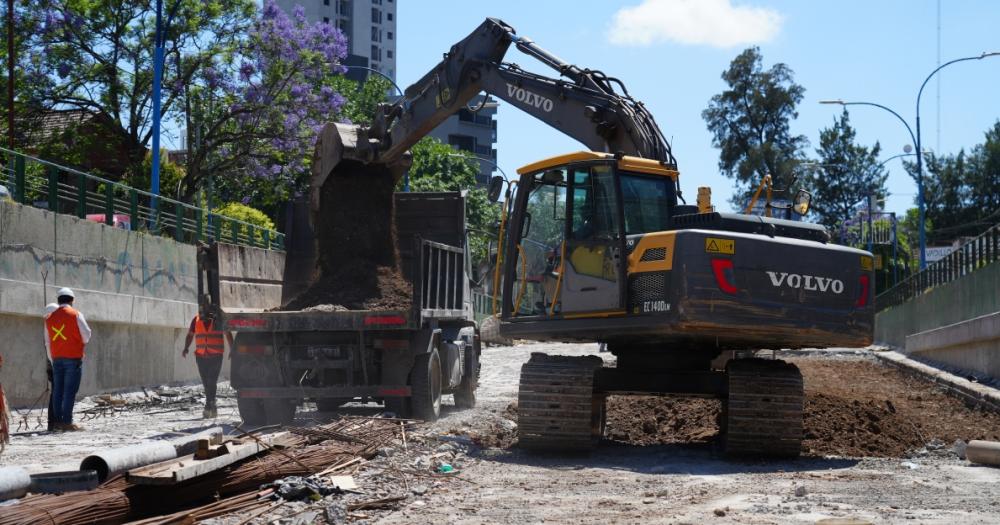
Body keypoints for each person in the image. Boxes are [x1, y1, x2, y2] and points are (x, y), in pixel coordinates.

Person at [44, 288, 92, 431]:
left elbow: (48, 341)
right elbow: (87, 335)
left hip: (57, 358)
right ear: (72, 300)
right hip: (73, 358)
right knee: (70, 391)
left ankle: (57, 421)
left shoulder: (49, 318)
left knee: (58, 390)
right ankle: (67, 422)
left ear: (58, 301)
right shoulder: (76, 314)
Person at [182, 311, 233, 419]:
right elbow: (190, 335)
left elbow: (228, 334)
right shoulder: (195, 320)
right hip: (201, 356)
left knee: (211, 381)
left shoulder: (218, 320)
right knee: (206, 382)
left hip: (216, 355)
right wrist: (186, 347)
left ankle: (209, 406)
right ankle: (211, 405)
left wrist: (232, 349)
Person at [44, 303, 59, 431]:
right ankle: (53, 423)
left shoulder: (49, 325)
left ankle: (53, 422)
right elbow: (49, 347)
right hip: (54, 365)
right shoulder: (49, 326)